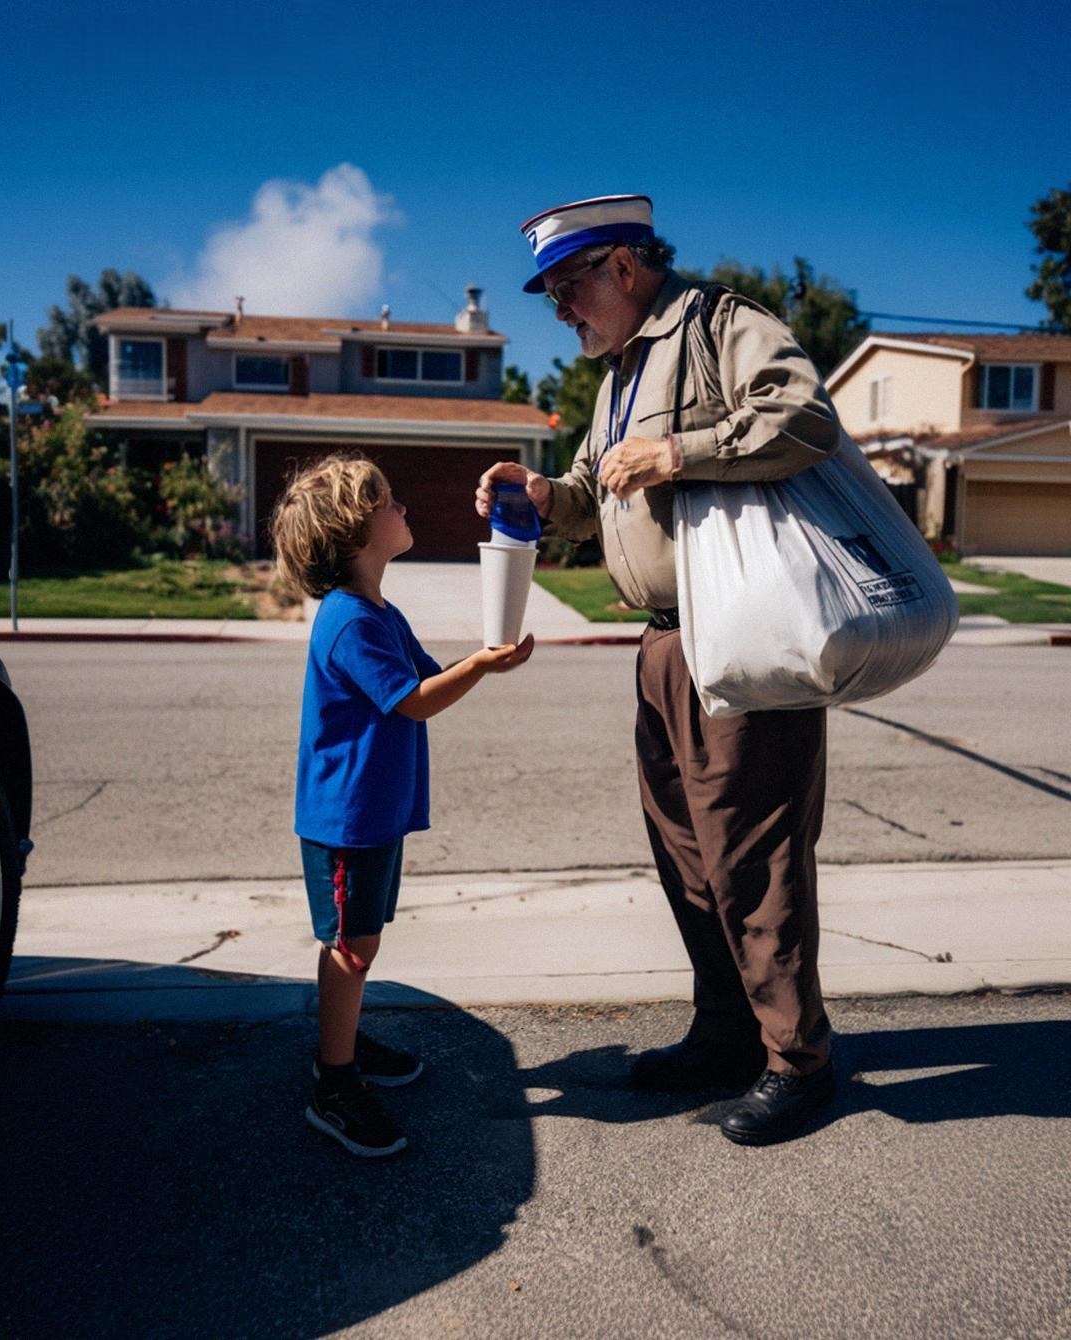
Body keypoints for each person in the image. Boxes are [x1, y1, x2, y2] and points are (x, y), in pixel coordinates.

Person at [477, 195, 838, 1146]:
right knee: (688, 858)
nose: (560, 311)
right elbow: (597, 493)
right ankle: (725, 1035)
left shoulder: (719, 325)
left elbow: (804, 418)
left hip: (744, 638)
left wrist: (682, 450)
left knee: (751, 858)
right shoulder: (618, 375)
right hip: (666, 645)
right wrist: (541, 493)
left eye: (567, 288)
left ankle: (798, 1061)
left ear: (624, 267)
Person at [272, 455, 533, 1156]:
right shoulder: (349, 621)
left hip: (374, 812)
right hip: (345, 820)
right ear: (353, 530)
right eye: (388, 501)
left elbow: (425, 677)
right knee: (350, 949)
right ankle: (333, 1082)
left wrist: (484, 656)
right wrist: (481, 665)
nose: (404, 508)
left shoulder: (380, 611)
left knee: (363, 938)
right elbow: (413, 702)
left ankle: (344, 1046)